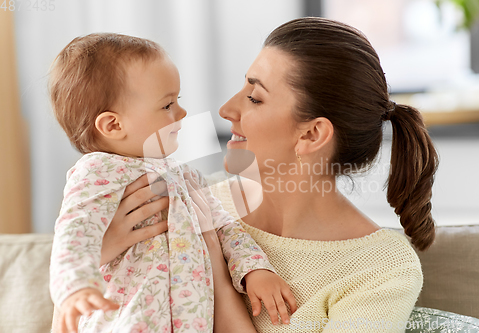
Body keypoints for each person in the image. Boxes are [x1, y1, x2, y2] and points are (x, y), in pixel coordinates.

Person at [79, 17, 439, 333]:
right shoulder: (185, 202)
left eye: (254, 97)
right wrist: (99, 254)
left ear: (311, 134)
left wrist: (219, 276)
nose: (226, 109)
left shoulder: (380, 270)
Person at [48, 33, 296, 333]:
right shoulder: (97, 171)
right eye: (167, 105)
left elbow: (224, 227)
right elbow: (74, 235)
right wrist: (76, 288)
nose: (181, 113)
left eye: (178, 100)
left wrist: (254, 269)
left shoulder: (185, 176)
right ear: (114, 125)